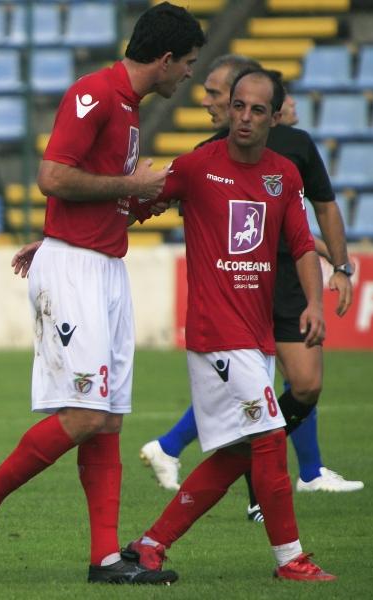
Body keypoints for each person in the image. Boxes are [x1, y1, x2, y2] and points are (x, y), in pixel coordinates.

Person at [0, 2, 204, 584]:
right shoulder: (94, 93)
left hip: (103, 262)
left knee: (109, 418)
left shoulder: (129, 108)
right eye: (186, 63)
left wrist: (139, 200)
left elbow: (95, 192)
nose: (188, 73)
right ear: (164, 60)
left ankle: (105, 558)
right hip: (77, 270)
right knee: (87, 413)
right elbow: (52, 177)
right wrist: (125, 189)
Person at [127, 68, 335, 582]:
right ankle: (292, 560)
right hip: (216, 334)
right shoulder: (197, 166)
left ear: (276, 115)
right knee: (267, 438)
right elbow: (134, 207)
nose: (244, 116)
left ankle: (150, 545)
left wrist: (314, 302)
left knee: (240, 452)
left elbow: (303, 245)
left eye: (257, 109)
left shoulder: (284, 174)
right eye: (238, 105)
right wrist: (61, 242)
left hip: (257, 334)